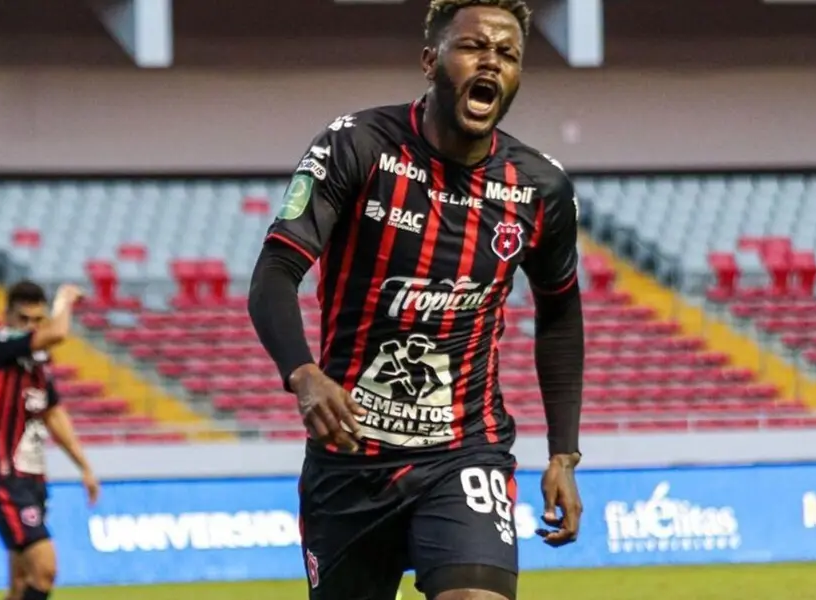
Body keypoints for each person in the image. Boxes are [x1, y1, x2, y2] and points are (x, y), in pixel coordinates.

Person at [247, 1, 585, 598]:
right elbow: (276, 268)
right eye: (474, 47)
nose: (492, 61)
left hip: (464, 452)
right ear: (430, 60)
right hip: (349, 458)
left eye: (507, 53)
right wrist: (301, 373)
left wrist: (563, 452)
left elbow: (560, 312)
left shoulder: (539, 188)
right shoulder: (358, 146)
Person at [0, 281, 100, 600]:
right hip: (5, 476)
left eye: (37, 320)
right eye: (24, 319)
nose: (31, 327)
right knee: (45, 569)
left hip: (32, 477)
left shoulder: (39, 365)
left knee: (20, 584)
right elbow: (58, 333)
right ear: (6, 317)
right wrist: (65, 300)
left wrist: (84, 466)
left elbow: (54, 414)